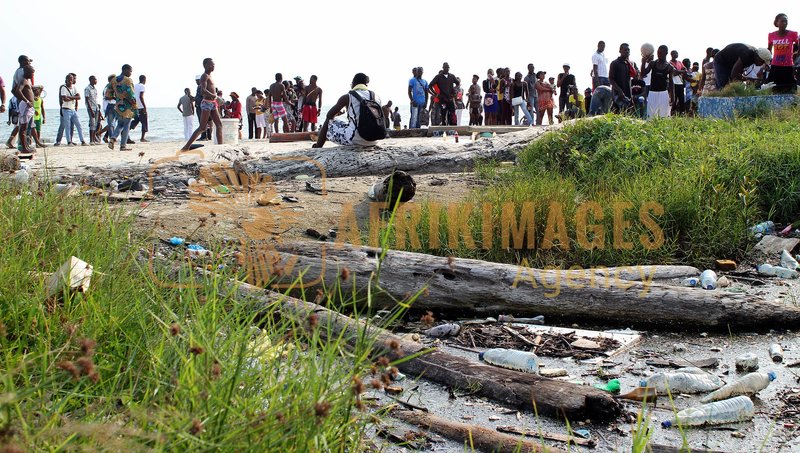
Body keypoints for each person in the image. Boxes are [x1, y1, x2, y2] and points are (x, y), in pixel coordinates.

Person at [312, 73, 383, 148]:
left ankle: (318, 146)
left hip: (356, 139)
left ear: (353, 84)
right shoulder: (376, 97)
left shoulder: (347, 97)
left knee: (329, 121)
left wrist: (336, 114)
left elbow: (329, 115)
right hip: (374, 139)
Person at [182, 58, 223, 151]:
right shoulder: (204, 76)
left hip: (213, 103)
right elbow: (203, 91)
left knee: (219, 124)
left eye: (213, 65)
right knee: (202, 127)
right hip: (207, 103)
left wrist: (214, 98)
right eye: (211, 65)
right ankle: (186, 146)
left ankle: (221, 147)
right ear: (205, 65)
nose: (213, 66)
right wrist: (213, 95)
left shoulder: (210, 76)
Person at [108, 64, 138, 151]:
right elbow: (131, 94)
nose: (131, 73)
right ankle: (123, 145)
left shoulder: (113, 80)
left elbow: (108, 92)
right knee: (126, 125)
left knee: (120, 124)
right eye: (130, 71)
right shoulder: (128, 80)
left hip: (118, 105)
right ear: (125, 70)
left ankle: (113, 138)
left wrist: (116, 97)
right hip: (127, 106)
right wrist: (134, 106)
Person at [767, 13, 798, 93]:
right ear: (777, 22)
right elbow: (769, 51)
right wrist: (766, 63)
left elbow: (798, 46)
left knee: (790, 89)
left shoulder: (793, 34)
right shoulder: (771, 35)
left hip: (788, 66)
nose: (784, 23)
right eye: (782, 21)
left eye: (786, 21)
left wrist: (795, 56)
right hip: (775, 66)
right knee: (772, 88)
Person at [642, 45, 675, 118]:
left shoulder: (669, 67)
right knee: (651, 116)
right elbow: (643, 73)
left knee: (664, 116)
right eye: (658, 52)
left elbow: (671, 83)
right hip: (652, 92)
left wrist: (673, 96)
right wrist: (643, 62)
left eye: (661, 53)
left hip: (663, 93)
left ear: (666, 53)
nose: (658, 54)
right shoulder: (652, 63)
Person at [56, 73, 87, 146]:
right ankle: (68, 141)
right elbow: (64, 99)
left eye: (71, 80)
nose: (70, 81)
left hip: (73, 109)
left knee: (78, 125)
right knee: (66, 126)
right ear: (66, 80)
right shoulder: (63, 87)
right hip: (66, 109)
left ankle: (82, 141)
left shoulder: (74, 87)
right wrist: (73, 97)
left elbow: (79, 97)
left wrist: (70, 97)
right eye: (69, 80)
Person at [609, 43, 634, 114]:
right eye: (625, 50)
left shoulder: (629, 64)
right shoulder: (614, 63)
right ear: (620, 51)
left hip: (627, 96)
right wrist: (619, 91)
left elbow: (634, 78)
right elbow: (611, 79)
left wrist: (631, 96)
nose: (627, 51)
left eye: (628, 50)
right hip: (618, 96)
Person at [16, 65, 35, 153]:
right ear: (26, 72)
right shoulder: (23, 80)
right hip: (25, 106)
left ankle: (26, 146)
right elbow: (18, 91)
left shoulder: (28, 81)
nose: (32, 74)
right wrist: (27, 101)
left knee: (28, 127)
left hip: (30, 107)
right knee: (23, 127)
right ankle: (23, 148)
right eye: (31, 72)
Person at [130, 75, 148, 142]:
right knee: (144, 122)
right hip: (140, 106)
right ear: (144, 80)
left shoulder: (135, 86)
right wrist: (144, 106)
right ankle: (142, 138)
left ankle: (124, 131)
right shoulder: (142, 86)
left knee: (136, 121)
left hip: (135, 107)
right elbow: (141, 96)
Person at [85, 76, 101, 144]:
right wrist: (91, 109)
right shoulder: (87, 88)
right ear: (91, 80)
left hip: (96, 107)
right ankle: (91, 140)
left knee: (96, 124)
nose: (96, 80)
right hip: (91, 108)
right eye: (95, 79)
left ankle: (94, 140)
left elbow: (95, 99)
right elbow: (87, 99)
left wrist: (98, 108)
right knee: (92, 123)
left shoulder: (95, 89)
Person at [669, 50, 687, 115]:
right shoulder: (670, 63)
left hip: (680, 83)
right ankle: (672, 112)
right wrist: (681, 71)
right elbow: (674, 73)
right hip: (674, 83)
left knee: (681, 98)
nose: (677, 54)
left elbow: (685, 69)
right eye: (675, 53)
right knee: (674, 98)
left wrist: (679, 72)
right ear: (672, 54)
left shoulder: (679, 62)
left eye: (677, 53)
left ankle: (682, 112)